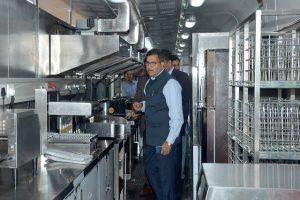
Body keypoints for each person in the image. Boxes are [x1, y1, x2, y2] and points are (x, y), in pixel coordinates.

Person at [133, 49, 183, 200]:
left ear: (162, 64)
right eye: (147, 63)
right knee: (151, 173)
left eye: (153, 63)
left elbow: (177, 117)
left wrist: (169, 141)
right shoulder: (149, 82)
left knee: (165, 179)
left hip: (164, 140)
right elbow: (156, 104)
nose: (149, 67)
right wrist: (142, 106)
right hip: (150, 139)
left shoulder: (171, 84)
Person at [160, 50, 192, 200]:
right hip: (162, 126)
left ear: (167, 63)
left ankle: (176, 190)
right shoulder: (159, 78)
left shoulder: (182, 77)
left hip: (177, 124)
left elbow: (186, 103)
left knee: (176, 157)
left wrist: (180, 123)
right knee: (166, 161)